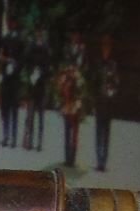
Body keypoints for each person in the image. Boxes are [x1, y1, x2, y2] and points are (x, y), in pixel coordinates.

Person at [56, 33, 88, 168]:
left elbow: (85, 67)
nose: (74, 39)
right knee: (67, 125)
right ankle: (66, 155)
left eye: (76, 37)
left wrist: (78, 73)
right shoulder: (67, 50)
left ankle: (72, 157)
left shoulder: (82, 50)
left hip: (77, 86)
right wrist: (67, 72)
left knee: (75, 126)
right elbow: (64, 64)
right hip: (68, 85)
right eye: (73, 37)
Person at [93, 35, 120, 172]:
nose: (105, 51)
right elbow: (94, 83)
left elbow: (116, 83)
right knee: (98, 133)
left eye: (107, 48)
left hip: (108, 104)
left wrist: (112, 92)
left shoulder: (113, 65)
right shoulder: (98, 64)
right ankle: (99, 160)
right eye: (104, 48)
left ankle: (104, 161)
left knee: (106, 134)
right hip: (99, 103)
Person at [23, 24, 51, 151]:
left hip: (41, 84)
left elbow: (48, 66)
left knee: (40, 115)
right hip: (32, 83)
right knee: (30, 114)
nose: (39, 34)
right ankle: (28, 139)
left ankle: (39, 142)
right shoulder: (32, 46)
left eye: (41, 32)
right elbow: (27, 61)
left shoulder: (46, 48)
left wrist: (41, 73)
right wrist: (31, 73)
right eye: (38, 32)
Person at [0, 48, 23, 148]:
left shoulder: (19, 47)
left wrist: (14, 62)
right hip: (5, 85)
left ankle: (14, 138)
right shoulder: (4, 61)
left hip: (14, 86)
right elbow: (1, 59)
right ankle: (5, 136)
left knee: (14, 113)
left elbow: (21, 63)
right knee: (5, 113)